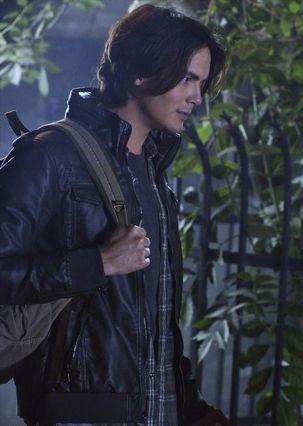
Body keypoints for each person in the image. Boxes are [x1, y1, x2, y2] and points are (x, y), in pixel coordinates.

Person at [0, 5, 228, 425]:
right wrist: (96, 263)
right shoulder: (50, 156)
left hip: (158, 411)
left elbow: (155, 313)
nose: (197, 97)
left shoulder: (153, 170)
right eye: (187, 79)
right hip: (79, 412)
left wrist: (189, 405)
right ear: (140, 73)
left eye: (201, 83)